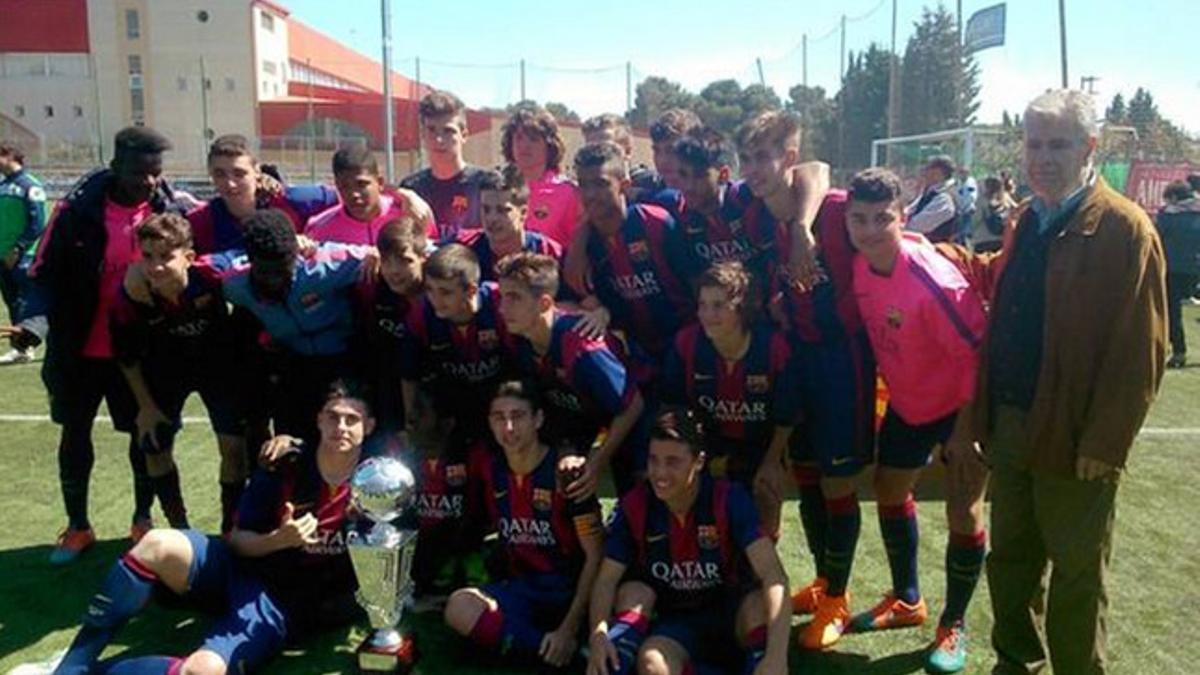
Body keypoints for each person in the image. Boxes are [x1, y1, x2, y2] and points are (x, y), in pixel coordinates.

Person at [974, 90, 1166, 674]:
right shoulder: (1028, 219)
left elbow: (1141, 352)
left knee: (1078, 576)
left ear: (1089, 146)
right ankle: (1016, 664)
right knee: (1009, 561)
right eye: (1034, 143)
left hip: (1076, 435)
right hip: (1012, 423)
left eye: (1058, 144)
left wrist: (1105, 443)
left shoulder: (1124, 229)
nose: (1043, 157)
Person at [41, 379, 372, 675]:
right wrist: (279, 539)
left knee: (201, 671)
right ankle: (70, 668)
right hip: (239, 568)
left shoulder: (377, 482)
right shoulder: (286, 462)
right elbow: (237, 541)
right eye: (333, 416)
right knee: (157, 543)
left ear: (368, 427)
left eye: (352, 419)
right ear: (319, 420)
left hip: (279, 601)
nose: (341, 426)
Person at [4, 126, 184, 563]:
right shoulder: (76, 211)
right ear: (117, 165)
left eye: (156, 172)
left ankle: (142, 519)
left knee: (144, 433)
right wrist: (34, 322)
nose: (149, 181)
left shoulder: (168, 209)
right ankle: (78, 526)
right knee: (75, 433)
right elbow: (42, 273)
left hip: (138, 354)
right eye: (141, 172)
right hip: (78, 350)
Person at [844, 168, 991, 673]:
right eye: (858, 219)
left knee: (963, 508)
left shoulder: (933, 279)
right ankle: (907, 599)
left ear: (902, 218)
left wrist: (966, 434)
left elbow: (978, 353)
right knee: (888, 489)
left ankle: (953, 622)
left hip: (960, 409)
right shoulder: (860, 267)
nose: (868, 230)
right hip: (909, 404)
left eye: (881, 219)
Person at [585, 405, 790, 675]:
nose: (660, 473)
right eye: (653, 460)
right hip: (677, 624)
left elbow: (774, 576)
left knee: (758, 606)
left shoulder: (729, 500)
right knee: (651, 659)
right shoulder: (635, 505)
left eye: (673, 462)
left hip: (733, 615)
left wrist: (776, 657)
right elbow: (607, 579)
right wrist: (598, 635)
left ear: (699, 462)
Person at [444, 380, 604, 669]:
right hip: (522, 590)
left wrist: (569, 627)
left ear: (538, 419)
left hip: (570, 595)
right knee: (459, 606)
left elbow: (595, 556)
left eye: (517, 416)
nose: (508, 428)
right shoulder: (490, 468)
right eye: (499, 418)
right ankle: (551, 652)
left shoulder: (567, 473)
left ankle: (548, 645)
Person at [111, 213, 248, 535]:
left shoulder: (213, 274)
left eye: (166, 257)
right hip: (163, 371)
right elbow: (126, 356)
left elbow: (250, 260)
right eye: (147, 257)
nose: (156, 266)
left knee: (233, 448)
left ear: (188, 257)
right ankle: (180, 528)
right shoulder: (130, 294)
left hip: (218, 367)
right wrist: (145, 407)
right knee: (155, 445)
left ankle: (230, 528)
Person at [214, 208, 373, 445]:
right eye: (266, 270)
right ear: (250, 261)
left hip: (344, 359)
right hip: (293, 364)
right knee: (291, 442)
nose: (275, 278)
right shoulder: (234, 283)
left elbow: (389, 254)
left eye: (283, 267)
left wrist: (377, 255)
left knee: (344, 436)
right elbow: (192, 268)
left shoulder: (324, 264)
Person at [662, 262, 797, 536]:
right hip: (707, 446)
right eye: (703, 305)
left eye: (718, 305)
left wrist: (772, 462)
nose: (708, 315)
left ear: (742, 308)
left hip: (760, 448)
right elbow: (673, 409)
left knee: (767, 491)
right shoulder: (686, 344)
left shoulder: (773, 348)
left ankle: (761, 568)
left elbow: (787, 415)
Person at [497, 251, 647, 498]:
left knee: (638, 491)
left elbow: (632, 406)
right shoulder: (522, 343)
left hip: (636, 414)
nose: (503, 308)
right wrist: (567, 448)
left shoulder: (581, 347)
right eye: (502, 297)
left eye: (514, 298)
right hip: (586, 417)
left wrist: (597, 461)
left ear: (544, 303)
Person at [575, 141, 696, 360]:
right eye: (583, 184)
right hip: (637, 352)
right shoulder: (588, 242)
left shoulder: (654, 223)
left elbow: (694, 283)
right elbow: (580, 289)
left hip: (684, 343)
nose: (590, 193)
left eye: (600, 183)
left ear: (624, 185)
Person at [400, 243, 514, 452]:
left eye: (445, 292)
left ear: (471, 290)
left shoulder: (501, 304)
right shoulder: (420, 315)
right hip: (453, 401)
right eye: (430, 290)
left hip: (503, 398)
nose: (435, 300)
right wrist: (412, 421)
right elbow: (410, 375)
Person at [187, 134, 339, 254]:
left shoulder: (292, 200)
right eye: (220, 174)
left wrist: (314, 240)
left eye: (239, 174)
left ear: (257, 172)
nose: (230, 183)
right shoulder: (200, 221)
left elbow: (350, 199)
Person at [401, 89, 487, 241]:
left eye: (448, 131)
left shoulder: (484, 183)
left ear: (464, 135)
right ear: (422, 134)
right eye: (431, 130)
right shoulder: (411, 188)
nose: (439, 139)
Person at [305, 146, 433, 245]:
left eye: (361, 184)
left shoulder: (409, 213)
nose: (354, 194)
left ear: (380, 183)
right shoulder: (320, 228)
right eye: (344, 186)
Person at [459, 164, 563, 284]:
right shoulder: (465, 250)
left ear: (523, 212)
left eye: (502, 210)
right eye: (486, 209)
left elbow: (571, 301)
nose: (492, 218)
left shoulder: (549, 253)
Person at [501, 104, 581, 247]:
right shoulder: (498, 188)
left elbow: (577, 246)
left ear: (549, 145)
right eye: (519, 138)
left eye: (533, 139)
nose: (525, 145)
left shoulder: (568, 192)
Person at [0, 140, 47, 363]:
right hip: (3, 255)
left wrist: (18, 248)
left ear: (9, 155)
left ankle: (25, 346)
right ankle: (20, 347)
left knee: (27, 301)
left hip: (23, 256)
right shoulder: (2, 186)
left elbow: (38, 223)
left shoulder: (30, 185)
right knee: (12, 301)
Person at [1156, 180, 1200, 368]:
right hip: (1195, 269)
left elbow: (1156, 238)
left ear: (1173, 197)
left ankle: (1178, 351)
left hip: (1172, 268)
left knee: (1171, 311)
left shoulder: (1167, 215)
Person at [905, 155, 961, 244]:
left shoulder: (944, 198)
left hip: (938, 253)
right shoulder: (931, 193)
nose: (923, 173)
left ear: (937, 173)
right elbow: (909, 211)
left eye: (927, 169)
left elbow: (917, 226)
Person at [974, 176, 1016, 254]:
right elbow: (1017, 211)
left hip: (983, 240)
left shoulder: (982, 200)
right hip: (1002, 240)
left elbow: (976, 220)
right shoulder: (1006, 198)